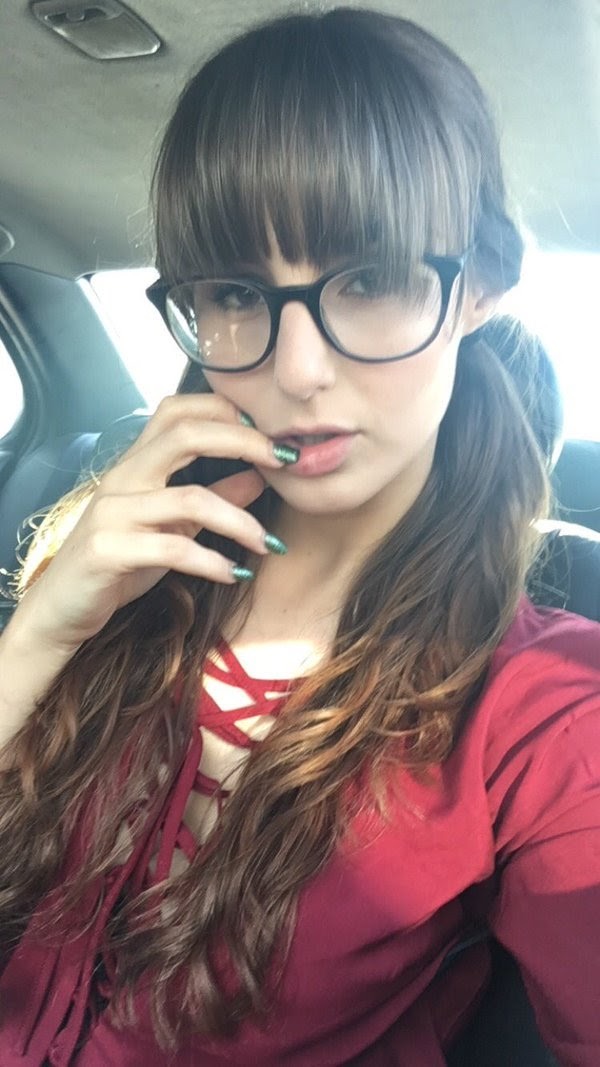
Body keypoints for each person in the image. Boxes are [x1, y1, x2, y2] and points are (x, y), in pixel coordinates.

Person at [0, 9, 598, 1066]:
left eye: (368, 278)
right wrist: (41, 629)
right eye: (237, 293)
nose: (297, 370)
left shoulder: (542, 710)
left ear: (479, 291)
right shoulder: (113, 576)